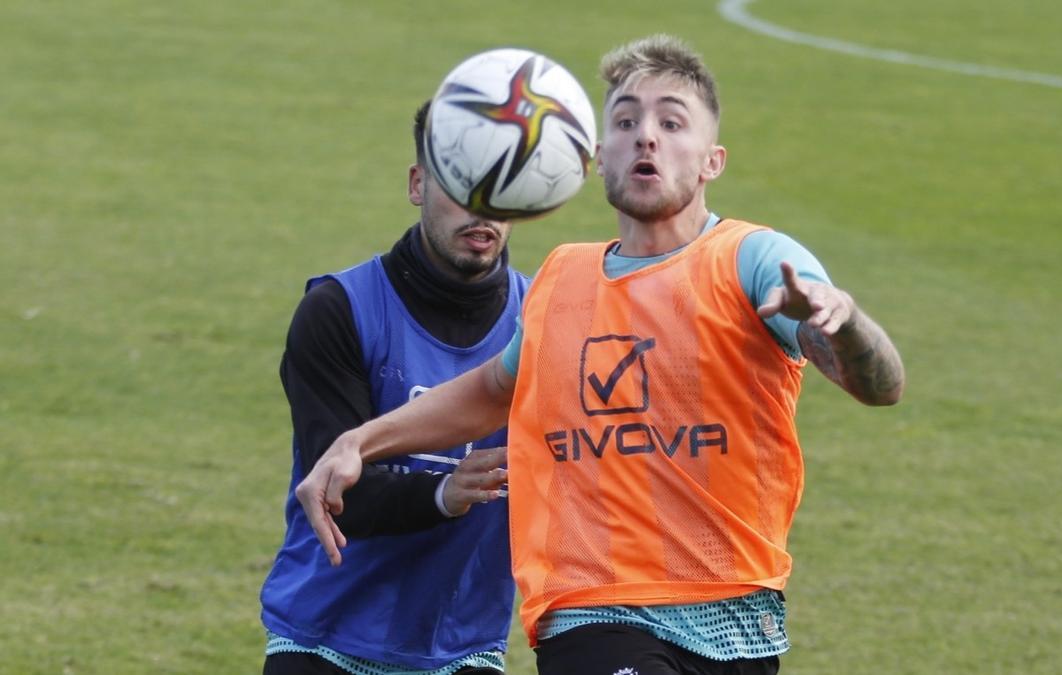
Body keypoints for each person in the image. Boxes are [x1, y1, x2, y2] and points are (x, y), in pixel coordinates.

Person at [297, 35, 906, 675]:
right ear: (592, 158)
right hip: (592, 610)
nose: (647, 136)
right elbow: (491, 391)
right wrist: (360, 443)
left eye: (672, 122)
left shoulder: (750, 260)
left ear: (712, 160)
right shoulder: (564, 277)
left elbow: (879, 385)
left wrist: (847, 325)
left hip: (739, 613)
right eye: (625, 121)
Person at [259, 99, 527, 675]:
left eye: (500, 188)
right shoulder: (338, 309)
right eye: (461, 183)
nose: (482, 209)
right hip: (326, 638)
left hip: (463, 646)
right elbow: (337, 493)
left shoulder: (546, 319)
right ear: (417, 184)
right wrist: (443, 493)